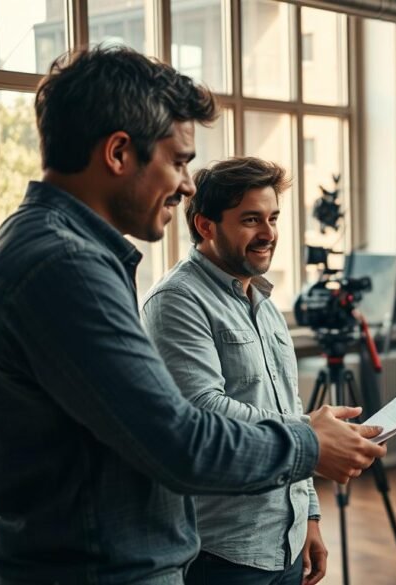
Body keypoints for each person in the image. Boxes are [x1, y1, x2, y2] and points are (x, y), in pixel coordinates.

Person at [0, 46, 386, 584]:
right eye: (177, 161)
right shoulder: (66, 264)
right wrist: (309, 443)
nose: (187, 184)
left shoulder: (59, 251)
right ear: (119, 152)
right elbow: (179, 440)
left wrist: (306, 499)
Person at [141, 158, 325, 584]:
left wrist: (310, 515)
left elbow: (288, 403)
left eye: (273, 218)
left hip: (288, 537)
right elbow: (202, 409)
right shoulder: (176, 300)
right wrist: (310, 435)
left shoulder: (263, 300)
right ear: (206, 225)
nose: (269, 233)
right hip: (224, 549)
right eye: (251, 220)